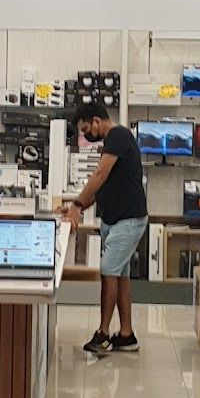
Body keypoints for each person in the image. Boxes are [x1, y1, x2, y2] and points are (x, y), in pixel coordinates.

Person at [60, 104, 148, 355]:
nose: (86, 135)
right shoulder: (112, 143)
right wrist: (74, 207)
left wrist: (77, 204)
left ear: (97, 121)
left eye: (86, 129)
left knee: (108, 270)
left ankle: (103, 334)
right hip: (116, 220)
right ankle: (126, 335)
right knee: (120, 275)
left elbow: (100, 174)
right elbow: (102, 188)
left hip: (128, 220)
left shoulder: (118, 135)